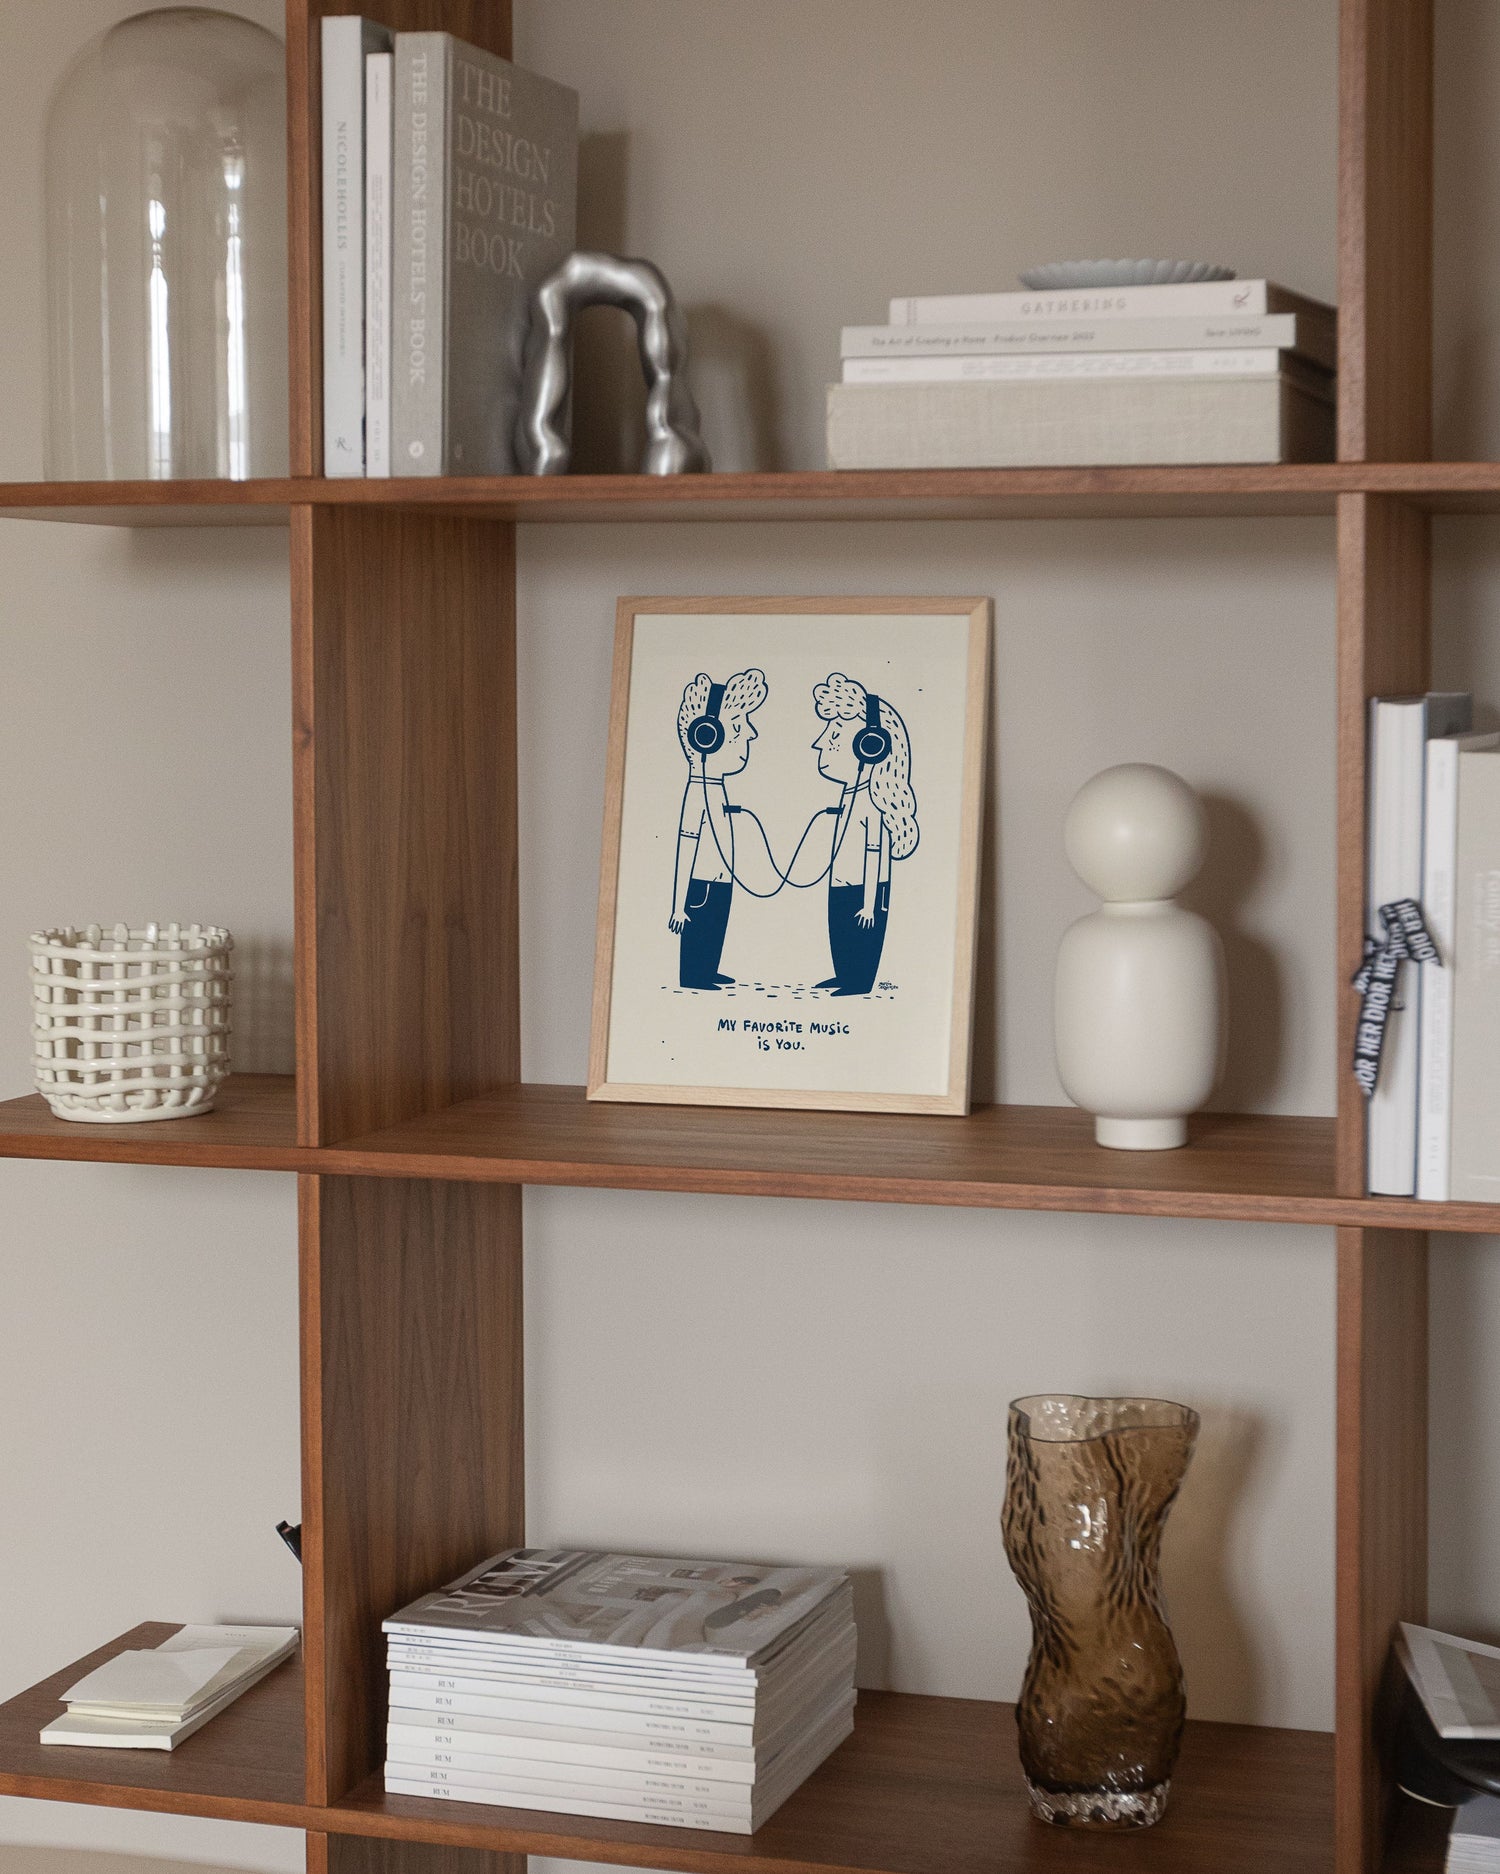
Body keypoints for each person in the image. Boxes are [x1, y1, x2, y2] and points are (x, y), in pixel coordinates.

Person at [810, 673, 919, 996]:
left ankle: (858, 982)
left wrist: (869, 904)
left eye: (835, 732)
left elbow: (874, 850)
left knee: (859, 932)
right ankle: (845, 975)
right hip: (842, 885)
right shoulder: (851, 795)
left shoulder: (873, 800)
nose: (821, 742)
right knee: (840, 930)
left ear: (870, 745)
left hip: (864, 892)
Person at [669, 668, 769, 989]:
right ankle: (695, 976)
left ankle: (708, 969)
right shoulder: (698, 791)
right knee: (699, 927)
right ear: (707, 738)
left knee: (714, 927)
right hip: (702, 885)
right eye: (738, 725)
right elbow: (687, 844)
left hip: (720, 881)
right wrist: (678, 906)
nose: (750, 733)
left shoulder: (715, 789)